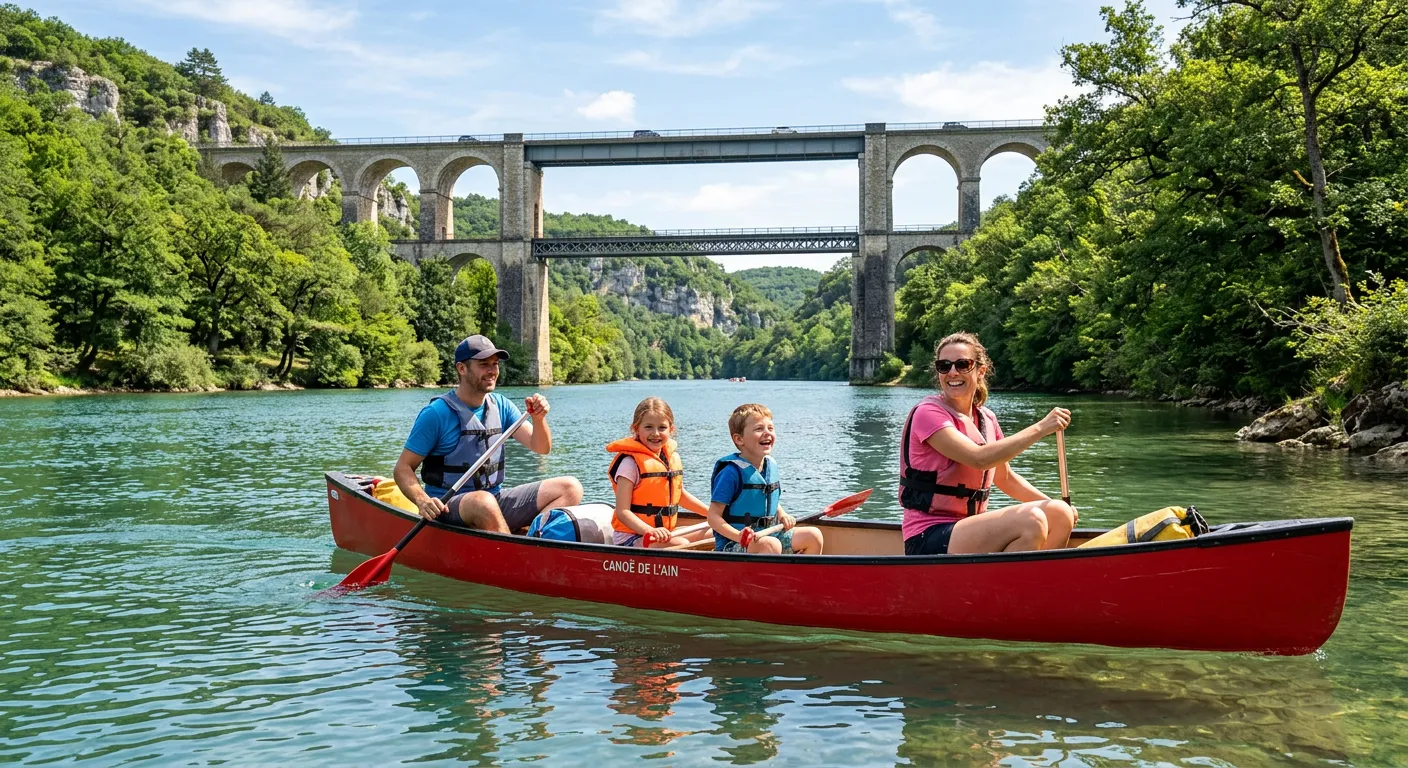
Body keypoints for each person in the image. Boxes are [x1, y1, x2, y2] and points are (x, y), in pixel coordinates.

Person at [899, 331, 1077, 555]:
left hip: (967, 531)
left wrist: (1062, 506)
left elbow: (1005, 478)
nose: (952, 372)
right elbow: (979, 458)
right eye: (944, 365)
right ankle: (1014, 586)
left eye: (962, 364)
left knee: (1060, 514)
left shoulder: (986, 418)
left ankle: (1036, 582)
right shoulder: (928, 413)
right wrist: (1041, 427)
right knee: (1031, 520)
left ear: (980, 371)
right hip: (928, 535)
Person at [393, 334, 583, 533]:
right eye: (484, 364)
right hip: (449, 506)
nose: (492, 371)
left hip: (494, 499)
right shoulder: (436, 414)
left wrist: (538, 419)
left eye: (495, 364)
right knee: (483, 502)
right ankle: (514, 554)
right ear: (462, 368)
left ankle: (534, 543)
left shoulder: (501, 405)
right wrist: (422, 501)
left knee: (570, 488)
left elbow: (541, 447)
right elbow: (403, 468)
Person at [706, 403, 824, 554]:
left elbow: (768, 498)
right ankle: (770, 577)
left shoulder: (770, 465)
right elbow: (713, 517)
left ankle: (800, 577)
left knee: (813, 536)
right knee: (770, 545)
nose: (767, 433)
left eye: (770, 428)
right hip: (734, 544)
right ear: (739, 439)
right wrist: (738, 536)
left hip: (769, 535)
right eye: (759, 429)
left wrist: (783, 515)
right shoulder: (730, 472)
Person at [606, 397, 713, 548]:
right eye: (648, 427)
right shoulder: (629, 464)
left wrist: (712, 514)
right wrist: (649, 531)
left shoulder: (671, 458)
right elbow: (623, 512)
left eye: (662, 428)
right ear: (636, 429)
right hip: (631, 537)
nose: (655, 433)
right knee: (682, 545)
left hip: (665, 533)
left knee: (713, 533)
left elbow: (680, 496)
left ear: (671, 429)